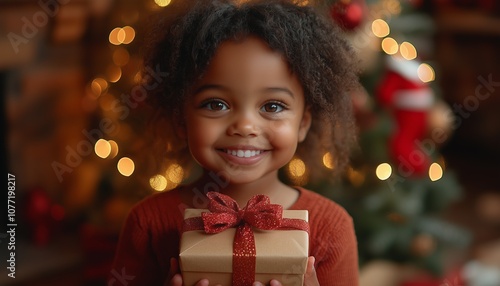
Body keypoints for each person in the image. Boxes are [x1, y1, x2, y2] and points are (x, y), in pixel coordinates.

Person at [111, 0, 360, 285]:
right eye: (216, 104)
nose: (244, 126)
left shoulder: (330, 227)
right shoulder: (148, 224)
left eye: (273, 106)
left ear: (303, 123)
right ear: (182, 120)